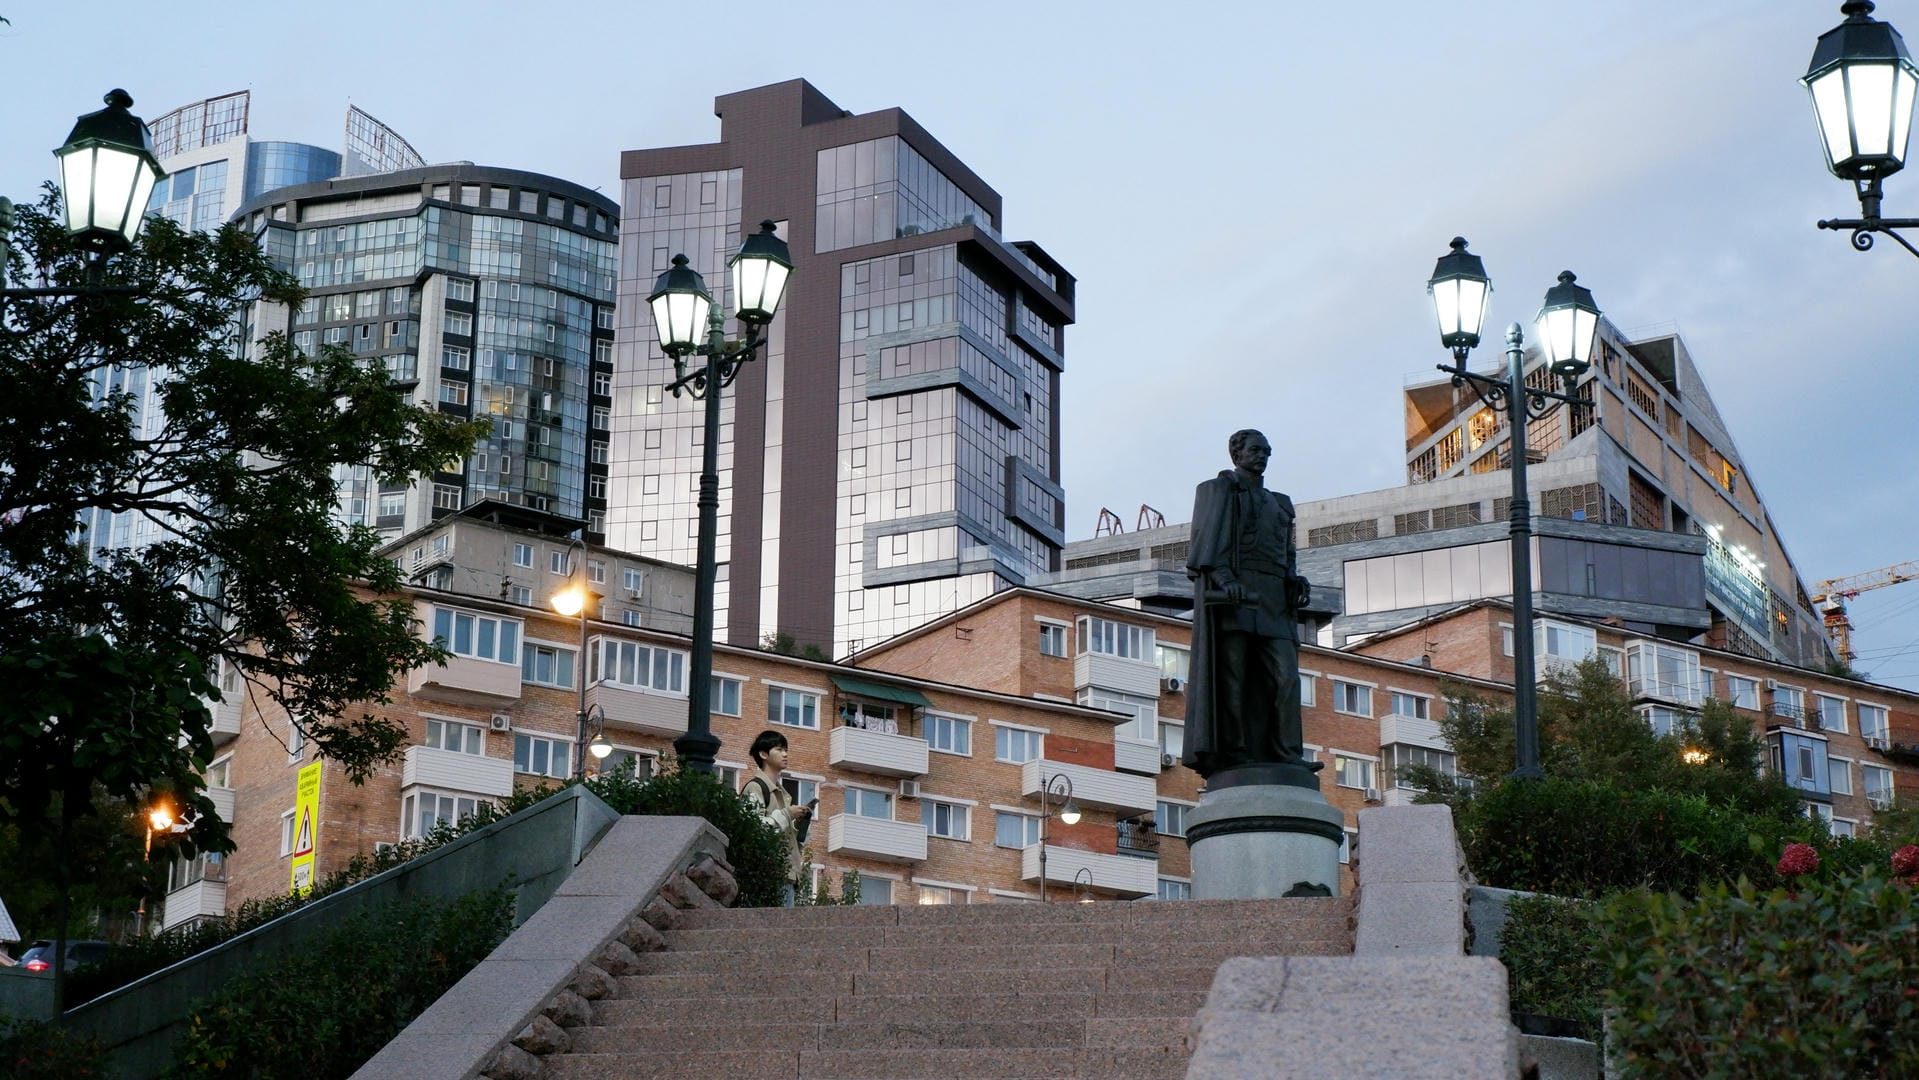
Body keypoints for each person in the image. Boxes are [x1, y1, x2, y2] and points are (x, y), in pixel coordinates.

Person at [1182, 429, 1317, 779]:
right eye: (1256, 450)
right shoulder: (1220, 490)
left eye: (1267, 451)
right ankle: (1236, 752)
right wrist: (1227, 581)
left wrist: (1294, 579)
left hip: (1274, 601)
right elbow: (1209, 543)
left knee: (1286, 678)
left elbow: (1286, 553)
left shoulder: (1280, 502)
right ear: (1236, 453)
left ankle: (1287, 752)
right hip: (1235, 599)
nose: (1263, 456)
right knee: (1234, 680)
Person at [742, 729, 812, 907]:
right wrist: (788, 814)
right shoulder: (755, 788)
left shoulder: (783, 794)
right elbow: (755, 830)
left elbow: (790, 840)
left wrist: (800, 823)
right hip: (767, 875)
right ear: (763, 754)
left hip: (787, 875)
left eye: (786, 749)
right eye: (779, 749)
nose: (785, 754)